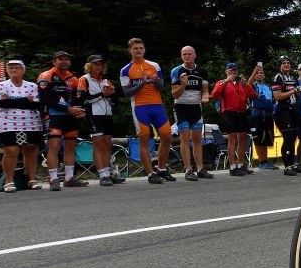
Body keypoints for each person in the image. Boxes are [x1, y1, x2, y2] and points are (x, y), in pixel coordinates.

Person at [119, 38, 174, 184]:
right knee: (144, 139)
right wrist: (142, 84)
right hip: (140, 107)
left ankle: (162, 169)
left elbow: (162, 88)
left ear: (144, 49)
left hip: (156, 105)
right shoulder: (125, 70)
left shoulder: (154, 65)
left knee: (167, 137)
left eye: (140, 48)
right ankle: (150, 173)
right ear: (129, 50)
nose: (138, 50)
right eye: (135, 48)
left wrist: (156, 80)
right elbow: (127, 93)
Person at [37, 51, 88, 190]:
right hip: (53, 116)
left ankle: (69, 178)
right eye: (61, 59)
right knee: (54, 145)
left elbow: (78, 98)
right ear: (54, 61)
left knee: (70, 146)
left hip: (70, 117)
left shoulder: (74, 78)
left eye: (67, 59)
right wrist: (67, 109)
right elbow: (44, 99)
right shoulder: (46, 76)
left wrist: (79, 110)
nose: (64, 61)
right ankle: (53, 179)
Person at [0, 59, 43, 192]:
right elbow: (2, 103)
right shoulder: (2, 85)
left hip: (30, 122)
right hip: (7, 122)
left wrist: (12, 100)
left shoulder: (32, 86)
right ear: (7, 71)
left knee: (31, 150)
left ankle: (31, 179)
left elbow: (35, 104)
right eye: (11, 68)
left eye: (17, 67)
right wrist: (25, 100)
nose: (14, 70)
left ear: (23, 70)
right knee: (11, 150)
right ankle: (9, 181)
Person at [76, 54, 124, 186]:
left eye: (101, 64)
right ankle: (102, 175)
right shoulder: (84, 79)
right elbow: (82, 99)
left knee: (107, 144)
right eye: (95, 64)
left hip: (107, 115)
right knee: (98, 144)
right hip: (93, 115)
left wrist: (112, 94)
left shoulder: (106, 80)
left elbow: (115, 101)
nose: (98, 66)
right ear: (89, 66)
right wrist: (103, 94)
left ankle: (109, 173)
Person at [169, 45, 213, 181]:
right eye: (184, 54)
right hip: (181, 107)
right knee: (184, 138)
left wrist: (205, 96)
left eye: (189, 54)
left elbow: (205, 90)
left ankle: (200, 169)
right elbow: (175, 95)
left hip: (196, 108)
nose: (187, 56)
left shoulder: (202, 71)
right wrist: (183, 84)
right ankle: (188, 169)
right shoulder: (177, 71)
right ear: (181, 56)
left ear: (195, 55)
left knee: (197, 139)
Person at [211, 62, 256, 176]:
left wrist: (246, 85)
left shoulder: (241, 83)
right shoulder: (222, 82)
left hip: (241, 112)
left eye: (235, 70)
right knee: (232, 139)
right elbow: (214, 95)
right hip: (228, 112)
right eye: (230, 70)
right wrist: (225, 81)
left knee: (242, 139)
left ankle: (241, 164)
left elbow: (252, 95)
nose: (233, 72)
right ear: (226, 71)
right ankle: (232, 167)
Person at [270, 56, 300, 176]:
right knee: (287, 137)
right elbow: (278, 96)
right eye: (284, 63)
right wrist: (293, 91)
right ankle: (287, 167)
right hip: (282, 110)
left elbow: (298, 97)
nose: (286, 65)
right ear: (280, 66)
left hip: (294, 109)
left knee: (293, 138)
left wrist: (300, 91)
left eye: (288, 63)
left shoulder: (293, 78)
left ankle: (291, 164)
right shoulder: (277, 77)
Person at [248, 64, 278, 169]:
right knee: (258, 139)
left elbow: (273, 100)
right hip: (257, 115)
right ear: (255, 76)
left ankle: (265, 161)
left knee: (266, 139)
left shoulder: (268, 87)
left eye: (261, 73)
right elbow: (248, 84)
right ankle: (261, 162)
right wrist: (254, 71)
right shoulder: (254, 86)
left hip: (268, 115)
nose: (259, 74)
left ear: (264, 76)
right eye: (258, 73)